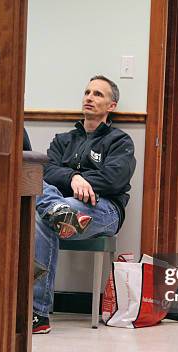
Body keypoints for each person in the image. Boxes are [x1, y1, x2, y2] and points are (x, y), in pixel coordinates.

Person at [32, 75, 136, 334]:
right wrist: (73, 177)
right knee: (34, 187)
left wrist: (78, 183)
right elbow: (46, 171)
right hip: (68, 206)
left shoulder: (120, 141)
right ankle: (58, 211)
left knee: (42, 212)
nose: (89, 97)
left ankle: (37, 312)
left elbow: (114, 180)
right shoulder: (63, 140)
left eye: (98, 94)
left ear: (111, 106)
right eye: (87, 92)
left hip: (104, 210)